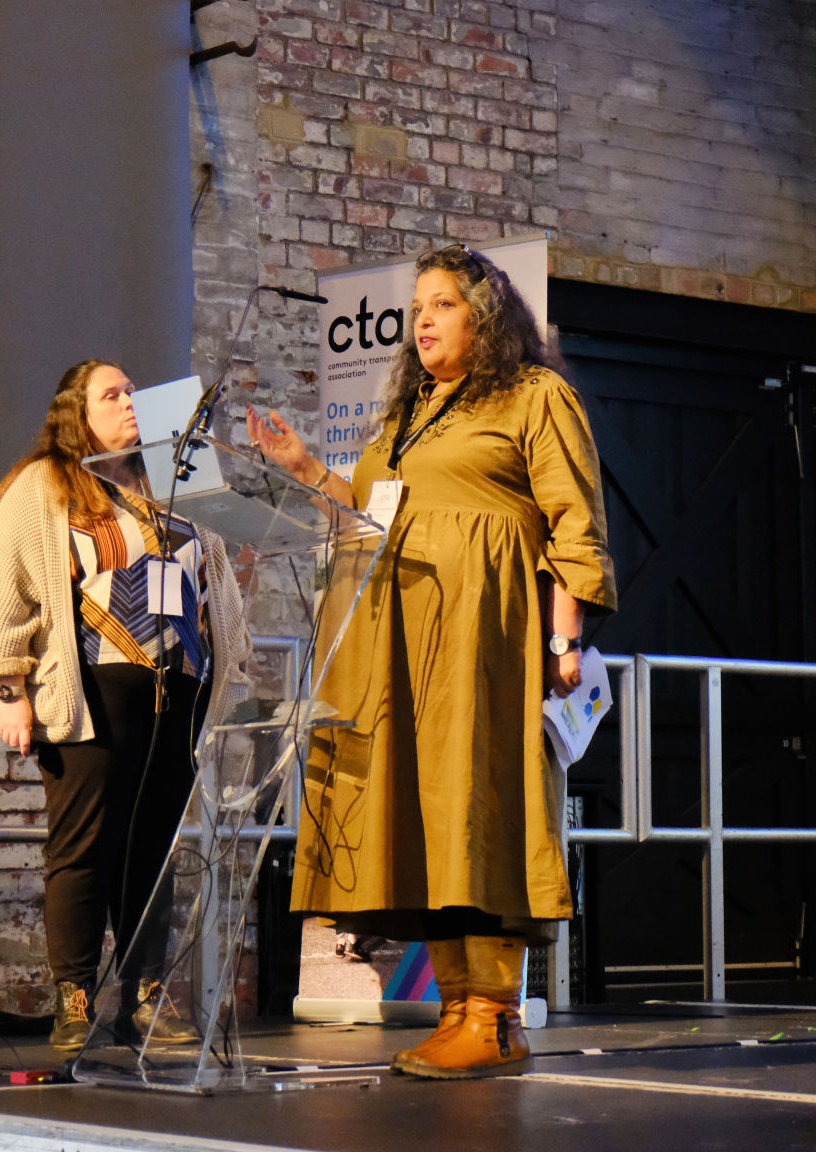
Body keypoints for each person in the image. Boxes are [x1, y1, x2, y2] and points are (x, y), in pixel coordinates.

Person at [248, 244, 615, 1081]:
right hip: (397, 644)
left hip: (485, 638)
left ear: (484, 314)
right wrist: (306, 470)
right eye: (416, 307)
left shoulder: (533, 395)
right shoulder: (411, 413)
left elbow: (574, 520)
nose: (421, 320)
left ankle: (491, 1011)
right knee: (430, 820)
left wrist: (565, 639)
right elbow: (377, 511)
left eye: (441, 303)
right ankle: (459, 1008)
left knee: (482, 805)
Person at [0, 360, 252, 1050]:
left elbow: (214, 573)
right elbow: (9, 585)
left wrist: (230, 656)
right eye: (112, 394)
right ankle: (75, 998)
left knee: (153, 852)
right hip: (94, 692)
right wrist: (11, 686)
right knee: (85, 849)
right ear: (77, 411)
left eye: (133, 392)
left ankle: (146, 996)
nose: (130, 402)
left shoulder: (173, 485)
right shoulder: (45, 485)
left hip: (175, 691)